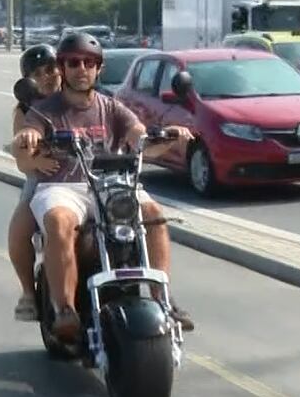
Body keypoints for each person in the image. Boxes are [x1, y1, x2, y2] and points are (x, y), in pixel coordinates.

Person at [12, 32, 195, 342]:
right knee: (58, 221)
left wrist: (168, 136)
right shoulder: (43, 110)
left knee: (153, 212)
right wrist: (27, 139)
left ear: (99, 68)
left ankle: (162, 299)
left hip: (111, 185)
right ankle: (65, 310)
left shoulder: (111, 107)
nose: (80, 69)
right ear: (64, 68)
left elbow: (139, 138)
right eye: (72, 63)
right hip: (62, 186)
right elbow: (27, 138)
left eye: (88, 62)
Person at [9, 44, 61, 321]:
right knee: (19, 229)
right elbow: (22, 158)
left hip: (86, 177)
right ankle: (29, 293)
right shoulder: (24, 110)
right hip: (42, 181)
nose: (47, 77)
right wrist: (37, 163)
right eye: (38, 73)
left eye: (51, 69)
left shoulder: (77, 97)